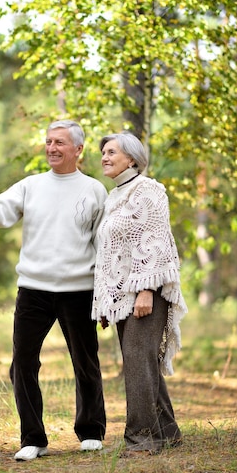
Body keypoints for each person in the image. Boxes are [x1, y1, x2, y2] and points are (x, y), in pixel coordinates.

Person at [0, 120, 107, 461]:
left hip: (79, 290)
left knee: (85, 362)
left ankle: (90, 431)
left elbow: (104, 246)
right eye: (48, 142)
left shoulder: (94, 190)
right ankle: (33, 437)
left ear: (78, 150)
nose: (51, 148)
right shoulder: (31, 185)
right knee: (22, 363)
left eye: (59, 142)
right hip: (33, 289)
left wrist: (106, 294)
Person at [92, 131, 188, 454]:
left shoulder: (148, 190)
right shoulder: (114, 197)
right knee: (141, 362)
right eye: (103, 152)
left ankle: (141, 439)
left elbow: (156, 239)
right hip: (123, 295)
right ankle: (167, 432)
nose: (104, 157)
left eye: (111, 152)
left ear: (132, 159)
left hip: (149, 291)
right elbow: (110, 253)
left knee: (137, 359)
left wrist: (146, 289)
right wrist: (108, 301)